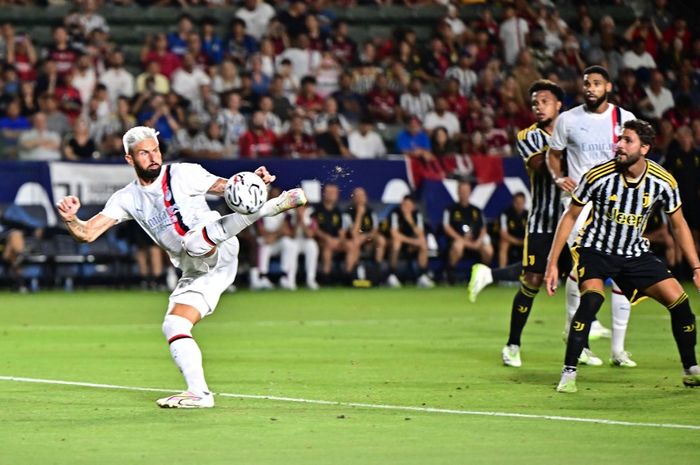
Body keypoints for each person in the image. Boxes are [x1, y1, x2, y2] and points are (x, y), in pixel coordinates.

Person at [55, 126, 307, 408]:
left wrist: (254, 183)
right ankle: (199, 393)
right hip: (197, 270)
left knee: (192, 242)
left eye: (156, 150)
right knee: (173, 324)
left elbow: (229, 188)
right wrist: (71, 219)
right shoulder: (127, 198)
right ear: (130, 159)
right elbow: (87, 234)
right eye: (144, 153)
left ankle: (272, 207)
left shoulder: (183, 173)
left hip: (218, 248)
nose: (153, 157)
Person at [545, 119, 700, 392]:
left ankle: (691, 368)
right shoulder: (598, 175)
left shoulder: (662, 181)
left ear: (645, 148)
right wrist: (552, 263)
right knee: (591, 300)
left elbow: (678, 224)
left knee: (680, 303)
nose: (619, 145)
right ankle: (568, 373)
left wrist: (696, 266)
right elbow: (570, 216)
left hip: (634, 253)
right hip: (595, 249)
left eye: (627, 140)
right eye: (620, 139)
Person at [468, 79, 601, 368]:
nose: (538, 107)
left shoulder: (577, 130)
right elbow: (543, 164)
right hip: (544, 221)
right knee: (533, 280)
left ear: (559, 105)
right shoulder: (528, 136)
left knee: (581, 278)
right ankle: (512, 345)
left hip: (576, 220)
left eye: (544, 101)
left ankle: (582, 343)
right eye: (534, 103)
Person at [546, 65, 637, 366]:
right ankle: (580, 338)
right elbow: (553, 154)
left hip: (616, 204)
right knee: (581, 265)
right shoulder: (568, 119)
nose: (590, 88)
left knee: (623, 269)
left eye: (597, 83)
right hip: (580, 203)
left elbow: (635, 157)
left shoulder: (624, 119)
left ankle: (618, 350)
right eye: (586, 83)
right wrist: (559, 178)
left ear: (608, 87)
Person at [443, 181, 493, 284]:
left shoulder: (477, 210)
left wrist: (478, 241)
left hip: (475, 242)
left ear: (470, 192)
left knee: (488, 250)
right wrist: (462, 240)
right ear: (458, 192)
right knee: (458, 246)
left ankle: (482, 275)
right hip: (459, 241)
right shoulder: (450, 210)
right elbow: (447, 228)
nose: (464, 193)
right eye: (462, 191)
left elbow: (483, 228)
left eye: (466, 191)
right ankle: (450, 274)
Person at [387, 195, 435, 289]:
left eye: (409, 205)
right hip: (399, 243)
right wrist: (412, 241)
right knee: (397, 242)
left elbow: (421, 235)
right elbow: (395, 234)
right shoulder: (395, 214)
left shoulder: (417, 215)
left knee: (423, 244)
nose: (406, 207)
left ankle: (422, 276)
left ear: (413, 206)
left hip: (412, 245)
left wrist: (410, 221)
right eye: (404, 205)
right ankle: (392, 275)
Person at [497, 192, 528, 268]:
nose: (519, 205)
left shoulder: (529, 214)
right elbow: (503, 234)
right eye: (517, 202)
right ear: (513, 202)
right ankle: (502, 270)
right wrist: (518, 242)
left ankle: (533, 272)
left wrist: (525, 241)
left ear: (524, 203)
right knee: (504, 243)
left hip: (525, 240)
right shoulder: (505, 214)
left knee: (535, 244)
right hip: (511, 240)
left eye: (521, 203)